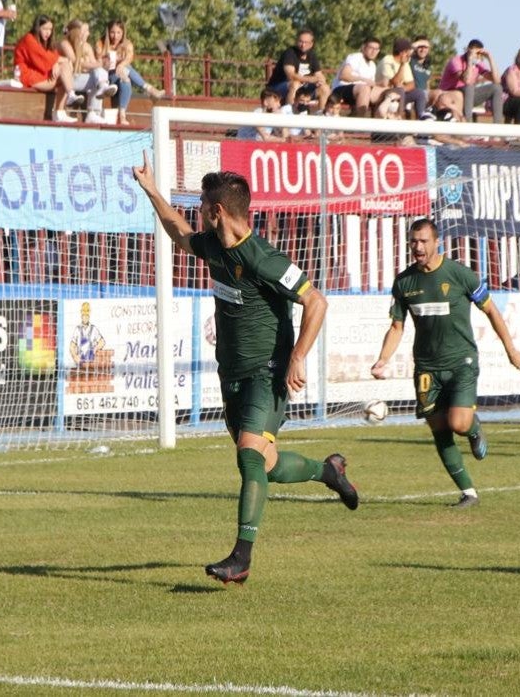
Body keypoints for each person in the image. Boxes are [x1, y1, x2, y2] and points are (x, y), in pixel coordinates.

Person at [131, 154, 359, 586]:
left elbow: (317, 301)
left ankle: (241, 558)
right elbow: (180, 234)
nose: (197, 212)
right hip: (231, 376)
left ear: (217, 211)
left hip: (266, 373)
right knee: (266, 465)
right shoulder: (215, 246)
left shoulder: (263, 257)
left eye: (201, 205)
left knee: (249, 455)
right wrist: (152, 191)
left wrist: (297, 356)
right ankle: (328, 471)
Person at [370, 219, 520, 508]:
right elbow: (396, 327)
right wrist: (383, 359)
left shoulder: (459, 275)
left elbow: (491, 311)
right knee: (439, 429)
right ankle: (469, 492)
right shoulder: (404, 282)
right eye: (413, 241)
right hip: (426, 368)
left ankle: (474, 428)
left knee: (458, 422)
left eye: (423, 241)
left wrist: (510, 349)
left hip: (461, 362)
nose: (417, 247)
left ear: (437, 242)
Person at [96, 20, 166, 126]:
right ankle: (150, 90)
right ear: (108, 32)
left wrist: (120, 65)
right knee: (126, 69)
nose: (115, 36)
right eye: (112, 32)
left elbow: (129, 58)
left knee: (126, 79)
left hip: (119, 76)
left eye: (119, 32)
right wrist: (116, 62)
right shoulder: (100, 43)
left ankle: (122, 116)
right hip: (105, 78)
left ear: (123, 32)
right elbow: (99, 61)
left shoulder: (127, 44)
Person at [14, 15, 82, 122]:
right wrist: (58, 62)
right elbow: (42, 58)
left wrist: (56, 63)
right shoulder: (29, 39)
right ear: (38, 27)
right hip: (28, 75)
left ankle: (63, 106)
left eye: (50, 29)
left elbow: (52, 57)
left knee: (66, 67)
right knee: (65, 65)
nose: (48, 32)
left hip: (41, 73)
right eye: (45, 29)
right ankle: (68, 98)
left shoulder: (46, 41)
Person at [58, 19, 117, 123]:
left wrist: (101, 64)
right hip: (66, 80)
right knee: (97, 73)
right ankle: (102, 88)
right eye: (85, 31)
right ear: (77, 33)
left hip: (77, 78)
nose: (88, 34)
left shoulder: (86, 46)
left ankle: (93, 112)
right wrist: (96, 64)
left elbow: (94, 66)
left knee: (98, 75)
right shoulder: (65, 43)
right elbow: (76, 62)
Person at [439, 38, 503, 123]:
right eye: (476, 53)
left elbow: (497, 80)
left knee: (497, 88)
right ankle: (467, 123)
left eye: (479, 53)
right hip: (450, 95)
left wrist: (490, 58)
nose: (478, 55)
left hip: (467, 96)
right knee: (469, 87)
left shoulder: (478, 64)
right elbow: (467, 81)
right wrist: (470, 60)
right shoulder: (456, 61)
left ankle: (497, 128)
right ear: (468, 50)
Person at [268, 29, 330, 108]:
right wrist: (310, 79)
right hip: (278, 88)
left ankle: (322, 115)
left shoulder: (312, 55)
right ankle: (290, 114)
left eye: (306, 42)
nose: (303, 45)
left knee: (325, 88)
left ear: (311, 44)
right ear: (297, 41)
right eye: (301, 41)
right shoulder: (290, 53)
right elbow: (290, 76)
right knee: (295, 84)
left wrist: (320, 81)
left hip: (303, 89)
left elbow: (319, 75)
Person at [331, 36, 383, 118]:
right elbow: (344, 75)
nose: (373, 51)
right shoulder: (356, 57)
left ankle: (380, 124)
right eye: (371, 48)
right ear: (363, 47)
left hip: (359, 92)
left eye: (376, 49)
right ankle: (358, 123)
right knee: (365, 89)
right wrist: (364, 80)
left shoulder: (373, 65)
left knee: (386, 92)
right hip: (341, 89)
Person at [377, 37, 425, 120]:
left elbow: (412, 84)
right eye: (409, 51)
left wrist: (404, 87)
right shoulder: (387, 60)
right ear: (403, 52)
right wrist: (402, 65)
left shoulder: (405, 62)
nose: (411, 53)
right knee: (400, 90)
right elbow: (394, 83)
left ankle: (421, 119)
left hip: (400, 93)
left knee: (419, 93)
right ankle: (398, 116)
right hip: (384, 93)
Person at [69, 301, 105, 366]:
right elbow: (72, 346)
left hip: (92, 363)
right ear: (81, 316)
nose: (85, 317)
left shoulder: (94, 329)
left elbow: (102, 342)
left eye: (87, 316)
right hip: (80, 363)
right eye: (84, 316)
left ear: (89, 316)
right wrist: (75, 356)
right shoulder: (77, 329)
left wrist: (95, 349)